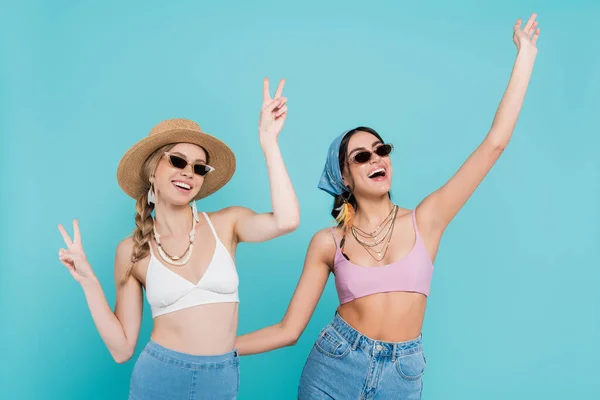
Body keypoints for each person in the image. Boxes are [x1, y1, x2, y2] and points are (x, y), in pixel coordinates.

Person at [235, 14, 541, 399]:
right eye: (361, 156)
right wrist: (216, 347)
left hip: (402, 375)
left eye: (381, 150)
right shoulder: (328, 243)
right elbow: (288, 330)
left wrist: (525, 56)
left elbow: (494, 143)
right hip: (334, 366)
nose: (376, 159)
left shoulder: (427, 219)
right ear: (344, 177)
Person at [57, 78, 299, 399]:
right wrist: (89, 282)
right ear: (152, 171)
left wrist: (269, 141)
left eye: (199, 168)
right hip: (160, 377)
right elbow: (121, 349)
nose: (189, 172)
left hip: (221, 377)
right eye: (177, 160)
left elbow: (287, 220)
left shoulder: (227, 223)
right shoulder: (131, 251)